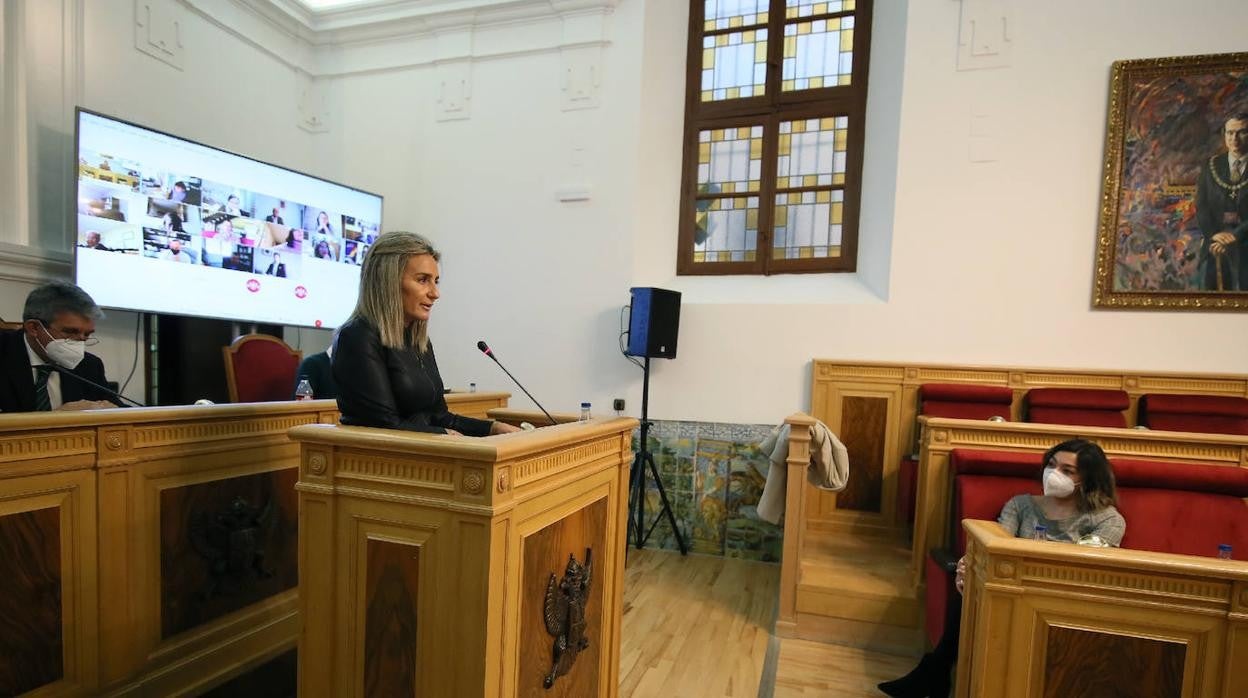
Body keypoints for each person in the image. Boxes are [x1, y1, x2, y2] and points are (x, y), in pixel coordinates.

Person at [877, 439, 1125, 698]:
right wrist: (970, 563)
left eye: (1067, 470)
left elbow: (1090, 570)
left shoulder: (1107, 519)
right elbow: (995, 546)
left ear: (1086, 479)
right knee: (971, 584)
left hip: (1066, 602)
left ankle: (933, 674)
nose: (1054, 474)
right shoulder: (1021, 505)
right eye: (1051, 465)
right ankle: (937, 673)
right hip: (1012, 592)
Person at [332, 231, 520, 435]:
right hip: (379, 462)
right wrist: (443, 436)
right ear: (388, 282)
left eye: (435, 281)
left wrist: (494, 428)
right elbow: (383, 426)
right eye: (423, 280)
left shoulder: (418, 340)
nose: (435, 293)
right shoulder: (358, 337)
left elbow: (439, 416)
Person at [0, 281, 119, 412]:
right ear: (33, 328)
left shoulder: (89, 365)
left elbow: (123, 413)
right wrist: (56, 418)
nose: (79, 342)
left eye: (86, 334)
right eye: (70, 332)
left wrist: (113, 410)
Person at [1196, 113, 1248, 291]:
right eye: (1230, 133)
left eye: (1242, 132)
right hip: (1215, 242)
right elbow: (1201, 207)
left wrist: (1236, 235)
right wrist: (1213, 234)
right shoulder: (1211, 166)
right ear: (1224, 135)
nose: (1235, 139)